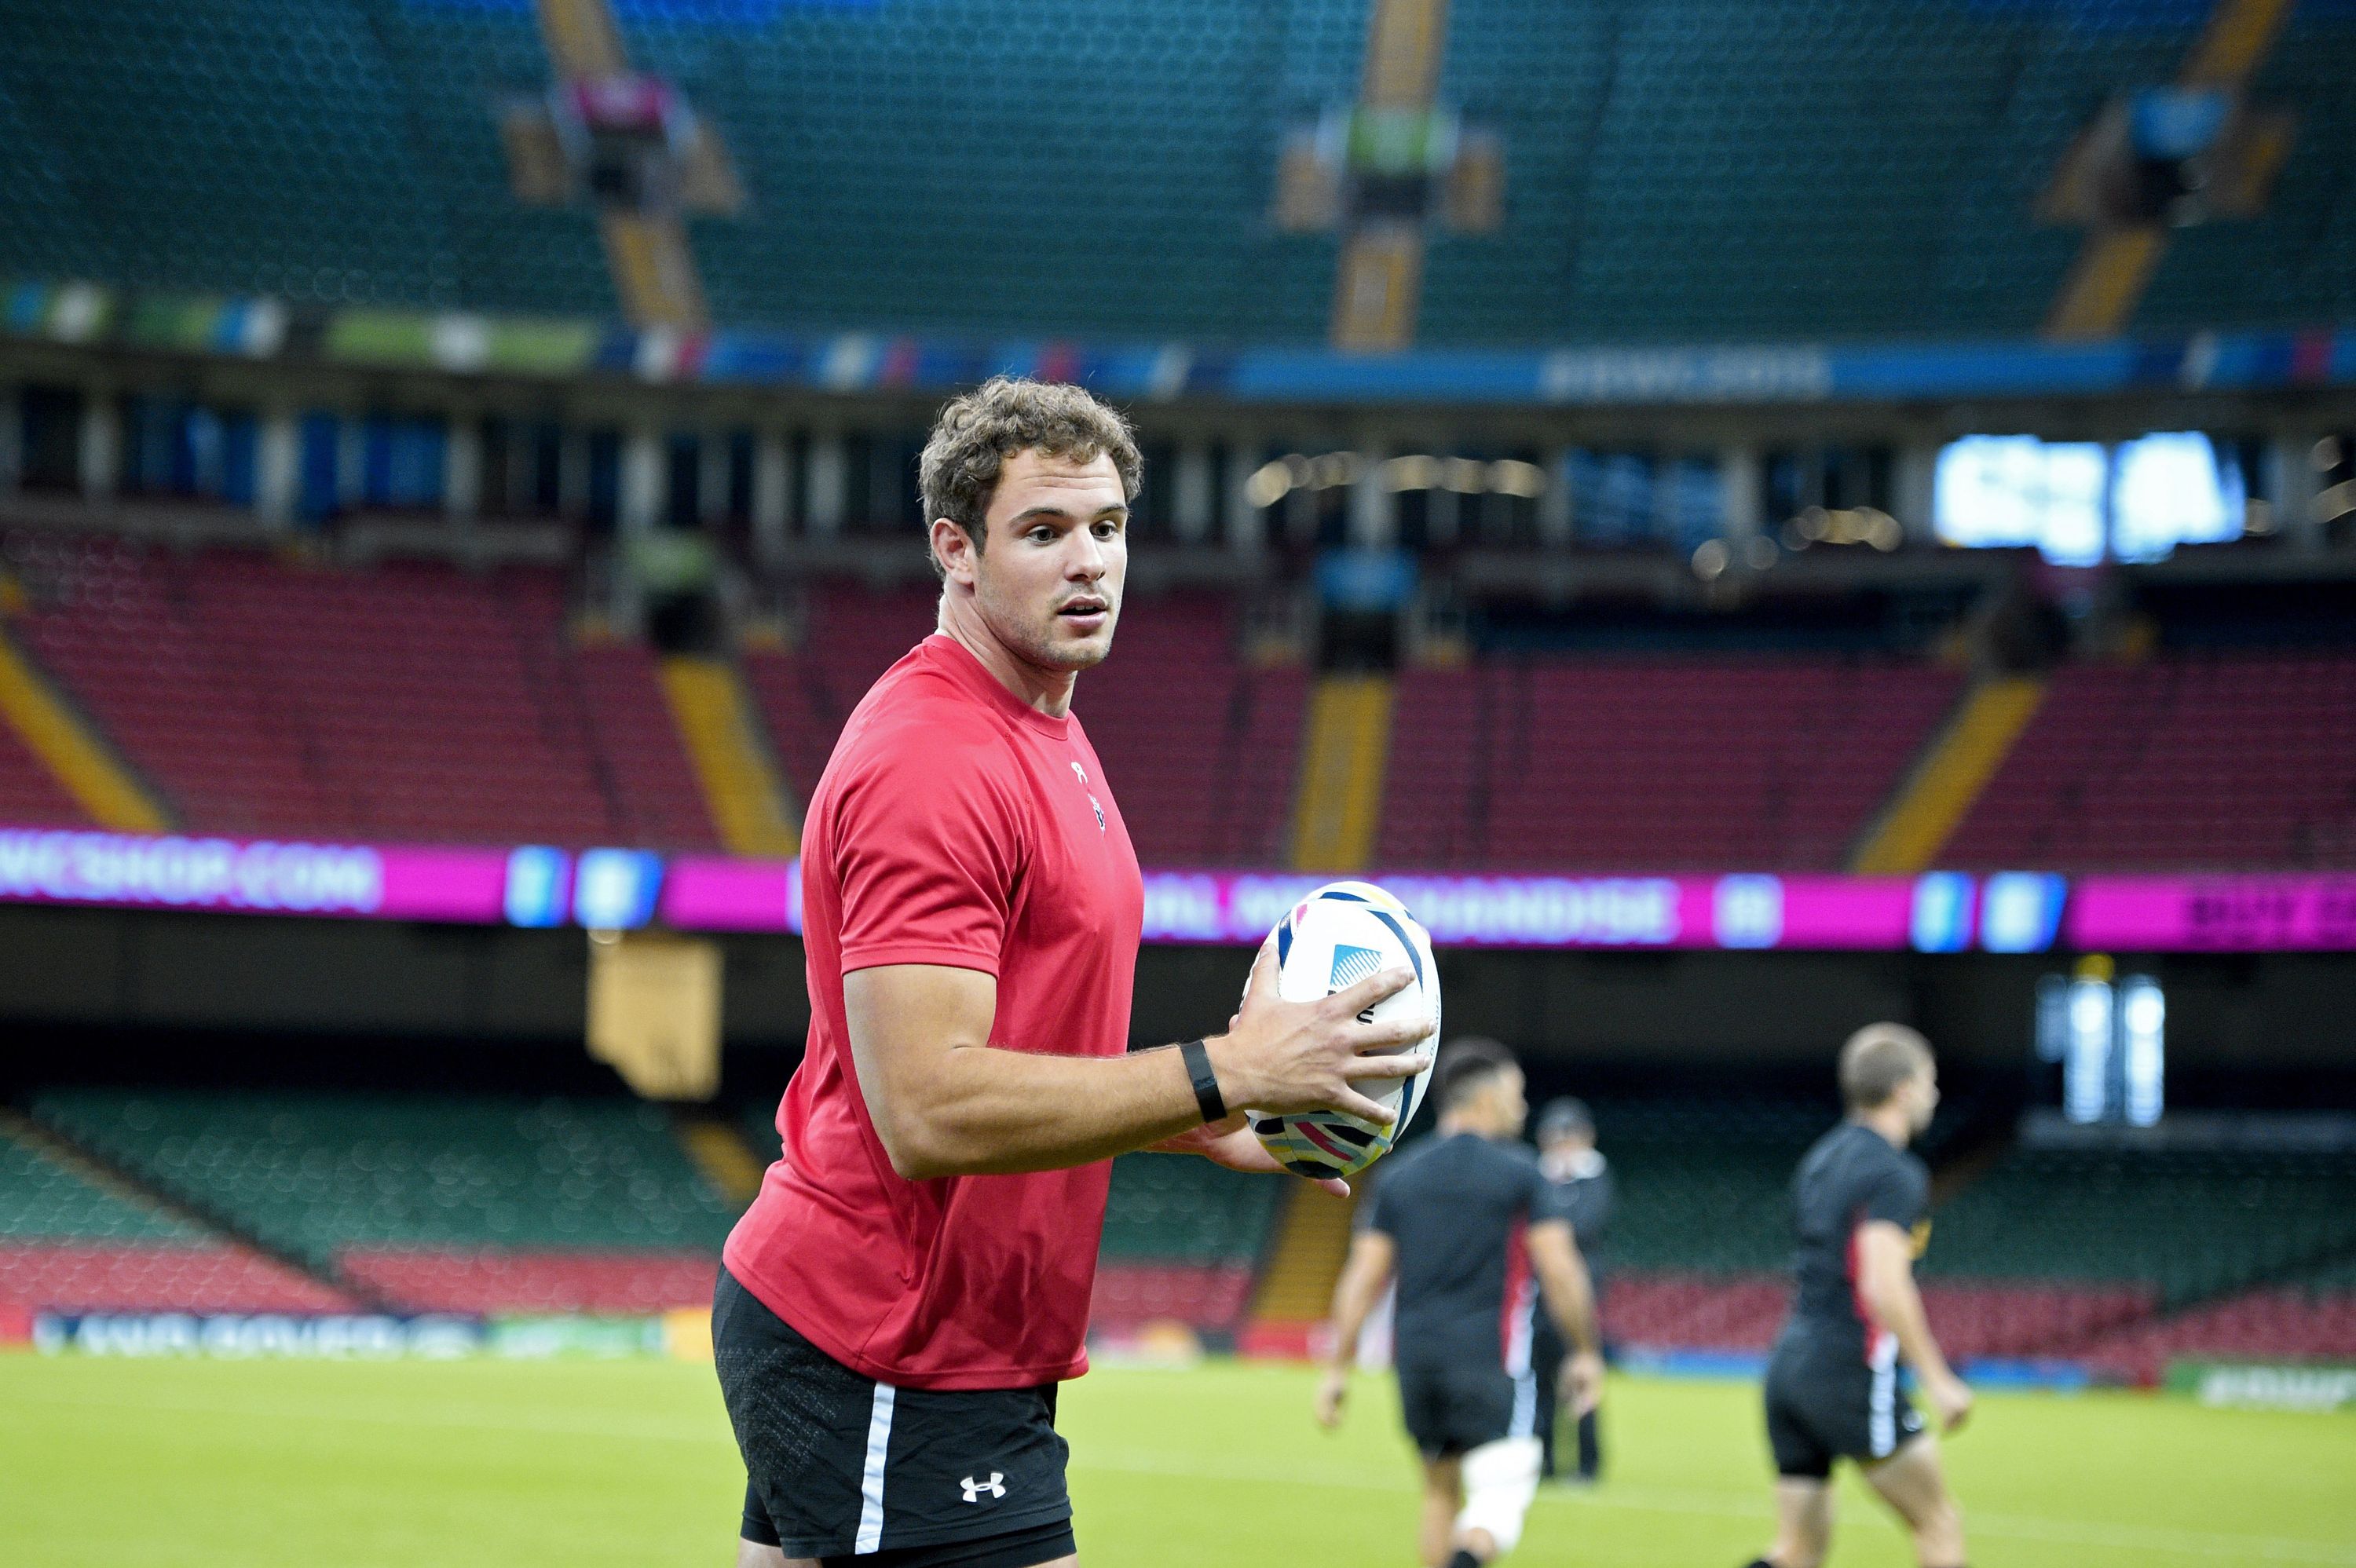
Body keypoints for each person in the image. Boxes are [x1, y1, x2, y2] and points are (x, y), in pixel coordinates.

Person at [714, 377, 1434, 1568]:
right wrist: (1229, 1067)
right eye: (1043, 533)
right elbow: (928, 1107)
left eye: (1106, 528)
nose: (1087, 562)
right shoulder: (931, 763)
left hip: (931, 1338)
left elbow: (1020, 1043)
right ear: (957, 552)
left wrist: (1197, 1120)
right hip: (889, 1341)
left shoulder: (1043, 719)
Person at [1317, 1039, 1605, 1568]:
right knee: (1504, 1492)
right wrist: (1585, 1351)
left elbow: (1363, 1274)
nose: (1523, 1106)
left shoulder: (1400, 1174)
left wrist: (1338, 1366)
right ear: (1489, 1097)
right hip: (1492, 1359)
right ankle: (1468, 1558)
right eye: (1517, 1093)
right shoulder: (1521, 1173)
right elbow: (1561, 1267)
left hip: (1417, 1361)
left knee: (1438, 1492)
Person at [1747, 1023, 1971, 1568]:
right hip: (1849, 1369)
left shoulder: (1820, 1159)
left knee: (1797, 1551)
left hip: (1789, 1367)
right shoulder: (1895, 1172)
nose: (1934, 1096)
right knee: (1939, 1522)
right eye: (1929, 1082)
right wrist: (1939, 1379)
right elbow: (1882, 1281)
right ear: (1902, 1089)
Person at [1531, 1095, 1612, 1484]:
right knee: (1540, 1379)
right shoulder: (1539, 1177)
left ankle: (1587, 1463)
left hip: (1580, 1292)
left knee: (1580, 1373)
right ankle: (1543, 1459)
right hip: (1539, 1294)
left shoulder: (1594, 1176)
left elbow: (1586, 1225)